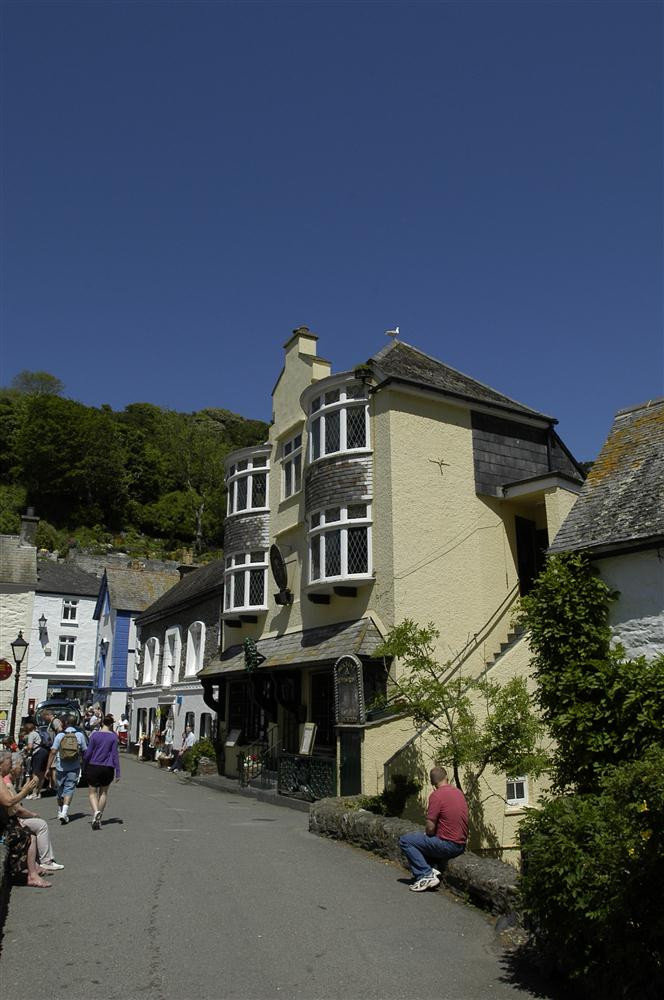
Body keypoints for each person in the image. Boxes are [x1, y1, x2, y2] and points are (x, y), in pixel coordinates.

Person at [399, 766, 468, 892]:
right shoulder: (459, 793)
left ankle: (425, 874)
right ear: (447, 778)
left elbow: (430, 828)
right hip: (461, 845)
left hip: (447, 845)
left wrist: (428, 834)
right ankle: (432, 867)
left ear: (432, 783)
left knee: (405, 840)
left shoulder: (436, 796)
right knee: (426, 840)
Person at [2, 754, 64, 872]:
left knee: (37, 825)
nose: (23, 768)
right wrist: (32, 813)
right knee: (41, 825)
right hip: (13, 820)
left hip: (12, 817)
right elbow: (16, 808)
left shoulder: (7, 781)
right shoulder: (7, 783)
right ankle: (46, 861)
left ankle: (42, 861)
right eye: (21, 765)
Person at [0, 751, 52, 888]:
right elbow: (8, 802)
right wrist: (25, 790)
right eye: (8, 762)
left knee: (29, 834)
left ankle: (33, 871)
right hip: (4, 825)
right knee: (28, 836)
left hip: (7, 821)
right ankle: (32, 875)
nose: (10, 765)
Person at [46, 715, 87, 824]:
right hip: (74, 766)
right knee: (69, 788)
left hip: (60, 766)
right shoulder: (79, 735)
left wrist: (48, 767)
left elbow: (53, 751)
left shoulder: (60, 736)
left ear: (65, 723)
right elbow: (84, 751)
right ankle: (64, 812)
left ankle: (60, 811)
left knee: (60, 789)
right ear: (76, 723)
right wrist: (85, 764)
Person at [82, 714, 120, 829]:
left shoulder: (94, 735)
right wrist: (118, 772)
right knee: (103, 793)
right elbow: (115, 755)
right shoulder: (113, 737)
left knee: (92, 793)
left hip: (94, 766)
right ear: (111, 724)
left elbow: (88, 753)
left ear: (101, 723)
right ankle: (98, 817)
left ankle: (95, 812)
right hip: (107, 768)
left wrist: (84, 765)